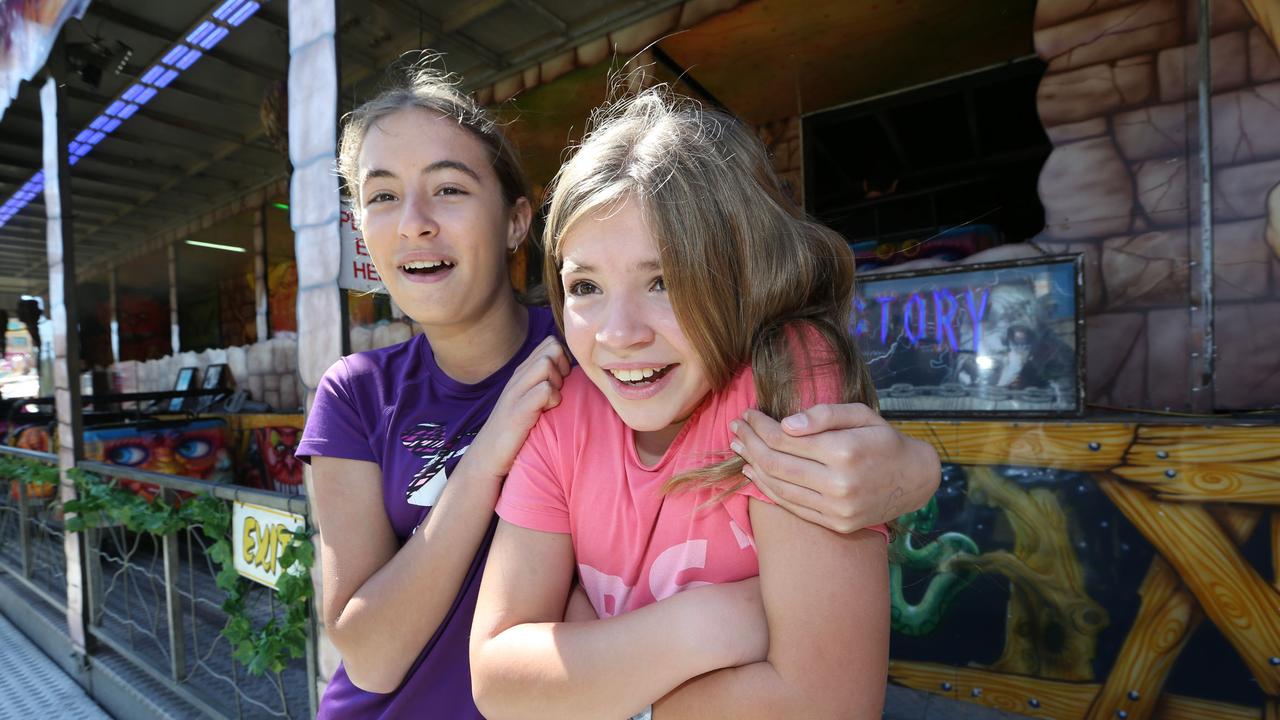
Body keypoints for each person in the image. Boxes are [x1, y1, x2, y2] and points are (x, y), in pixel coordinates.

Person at [299, 61, 940, 719]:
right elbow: (388, 659)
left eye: (449, 189)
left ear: (519, 221)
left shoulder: (593, 358)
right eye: (381, 196)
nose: (414, 222)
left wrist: (919, 469)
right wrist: (491, 450)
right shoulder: (362, 391)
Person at [471, 88, 891, 719]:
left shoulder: (789, 375)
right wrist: (710, 624)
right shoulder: (561, 410)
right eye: (584, 286)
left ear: (744, 273)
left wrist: (600, 682)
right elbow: (500, 679)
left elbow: (828, 705)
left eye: (663, 281)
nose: (618, 334)